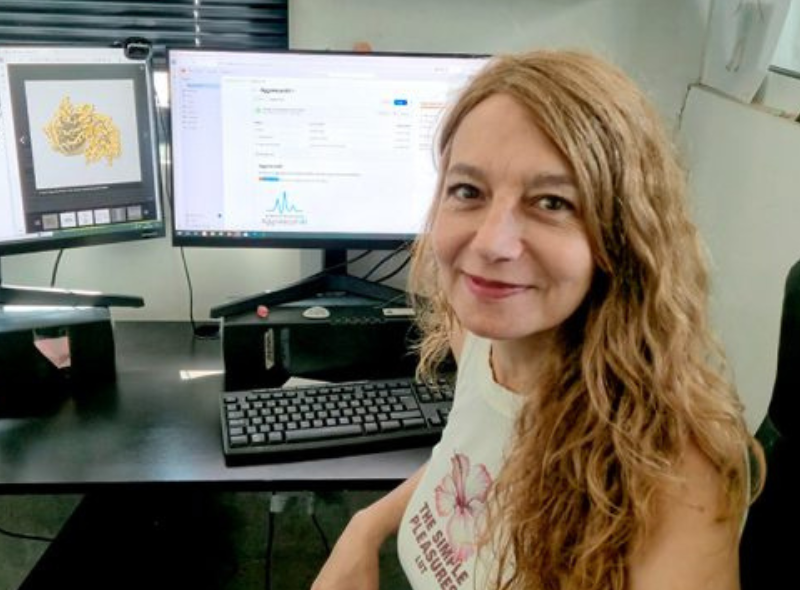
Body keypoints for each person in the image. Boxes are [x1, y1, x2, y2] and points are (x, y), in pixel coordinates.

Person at [311, 49, 763, 590]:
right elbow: (470, 463)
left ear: (622, 234)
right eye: (468, 191)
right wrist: (366, 526)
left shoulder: (675, 471)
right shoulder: (480, 339)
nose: (491, 243)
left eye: (550, 202)